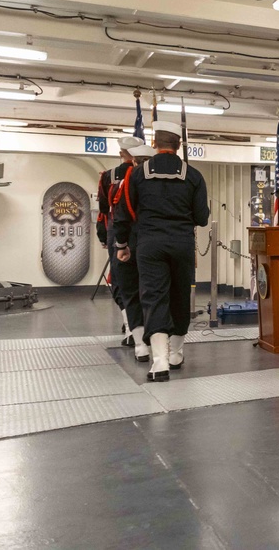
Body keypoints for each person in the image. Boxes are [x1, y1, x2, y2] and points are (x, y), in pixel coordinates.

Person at [113, 121, 209, 382]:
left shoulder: (138, 174)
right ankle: (176, 353)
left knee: (153, 297)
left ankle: (159, 362)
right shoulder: (193, 175)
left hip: (149, 245)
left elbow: (124, 214)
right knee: (179, 296)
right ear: (178, 146)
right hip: (182, 245)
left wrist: (122, 245)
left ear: (155, 144)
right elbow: (202, 218)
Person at [110, 143, 156, 362]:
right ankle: (167, 350)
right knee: (157, 295)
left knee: (130, 293)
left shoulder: (126, 182)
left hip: (131, 245)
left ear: (133, 161)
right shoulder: (161, 185)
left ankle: (139, 344)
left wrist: (120, 245)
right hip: (155, 246)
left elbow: (118, 217)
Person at [97, 135, 142, 341]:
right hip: (143, 232)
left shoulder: (108, 176)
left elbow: (104, 210)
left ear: (121, 153)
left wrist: (104, 235)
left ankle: (131, 328)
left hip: (118, 232)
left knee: (122, 281)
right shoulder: (144, 175)